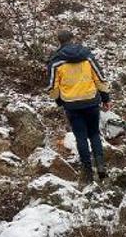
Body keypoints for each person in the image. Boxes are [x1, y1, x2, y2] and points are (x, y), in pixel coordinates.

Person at [47, 30, 111, 184]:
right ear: (73, 39)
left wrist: (58, 101)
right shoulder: (86, 55)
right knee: (94, 133)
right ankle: (101, 165)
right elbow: (99, 77)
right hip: (90, 100)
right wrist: (105, 97)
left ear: (59, 41)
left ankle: (87, 170)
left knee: (80, 136)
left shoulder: (56, 61)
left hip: (72, 104)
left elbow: (52, 86)